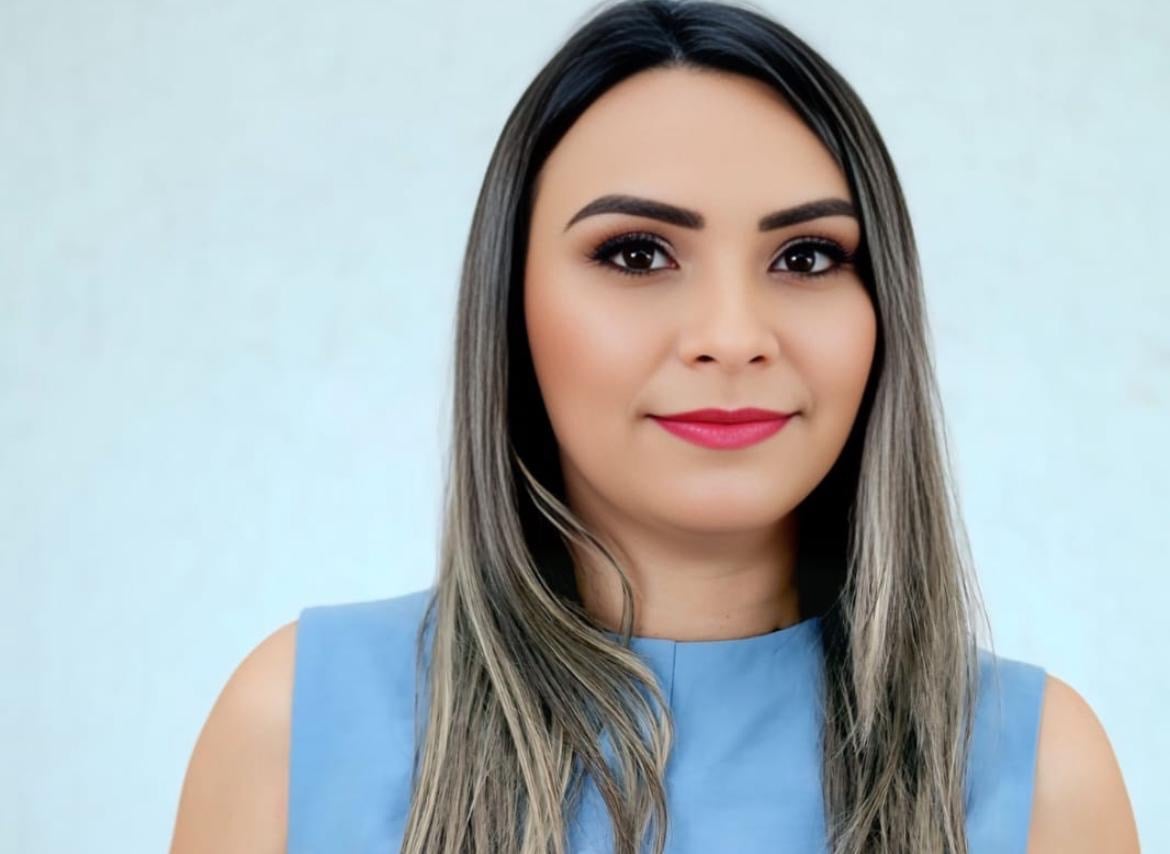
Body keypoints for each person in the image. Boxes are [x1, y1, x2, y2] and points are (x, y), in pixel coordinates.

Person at [169, 1, 1140, 852]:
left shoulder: (1039, 773)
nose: (732, 337)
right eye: (637, 254)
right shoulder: (294, 727)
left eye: (806, 257)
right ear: (511, 306)